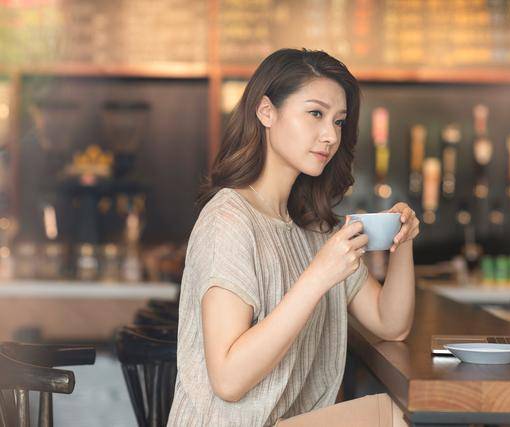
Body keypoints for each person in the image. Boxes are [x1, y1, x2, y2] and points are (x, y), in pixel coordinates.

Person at [167, 48, 419, 427]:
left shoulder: (314, 228)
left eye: (338, 121)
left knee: (402, 416)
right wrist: (317, 277)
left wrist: (404, 241)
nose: (330, 135)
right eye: (315, 114)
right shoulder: (229, 220)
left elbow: (391, 323)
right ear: (266, 111)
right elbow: (229, 379)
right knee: (395, 419)